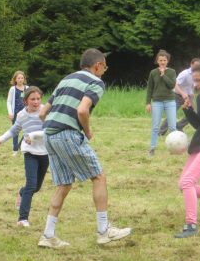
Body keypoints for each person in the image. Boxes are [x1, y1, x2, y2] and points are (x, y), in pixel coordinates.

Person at [37, 48, 131, 249]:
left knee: (63, 184)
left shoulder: (66, 79)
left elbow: (43, 113)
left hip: (49, 134)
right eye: (104, 67)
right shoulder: (95, 82)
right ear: (97, 65)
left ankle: (48, 235)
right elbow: (82, 110)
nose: (104, 71)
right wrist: (87, 131)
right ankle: (104, 230)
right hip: (68, 134)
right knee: (98, 177)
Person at [0, 86, 48, 227]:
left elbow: (49, 131)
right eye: (32, 99)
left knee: (36, 187)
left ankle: (21, 192)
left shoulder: (45, 112)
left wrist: (33, 135)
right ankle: (22, 219)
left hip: (45, 152)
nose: (36, 102)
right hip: (29, 152)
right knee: (31, 184)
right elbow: (14, 130)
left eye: (38, 99)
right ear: (25, 101)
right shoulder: (21, 115)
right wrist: (0, 139)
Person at [173, 62, 200, 238]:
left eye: (199, 80)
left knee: (187, 182)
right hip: (198, 144)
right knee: (184, 184)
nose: (195, 84)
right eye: (194, 81)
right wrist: (188, 111)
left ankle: (191, 225)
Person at [146, 50, 186, 156]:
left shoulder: (172, 72)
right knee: (155, 127)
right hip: (157, 102)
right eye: (160, 60)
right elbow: (150, 88)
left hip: (170, 101)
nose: (162, 62)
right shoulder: (153, 72)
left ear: (167, 61)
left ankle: (174, 149)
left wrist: (163, 75)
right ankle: (152, 148)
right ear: (157, 61)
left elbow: (172, 85)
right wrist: (148, 103)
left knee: (173, 126)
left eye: (164, 60)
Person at [160, 58, 200, 135]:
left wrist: (191, 97)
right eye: (196, 65)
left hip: (187, 97)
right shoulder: (185, 73)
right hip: (177, 95)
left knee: (193, 114)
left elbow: (191, 87)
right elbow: (175, 84)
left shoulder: (197, 75)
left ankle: (179, 126)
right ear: (191, 64)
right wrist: (182, 93)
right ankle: (161, 132)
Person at [6, 71, 27, 156]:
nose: (20, 79)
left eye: (22, 78)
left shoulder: (28, 88)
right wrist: (10, 113)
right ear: (15, 79)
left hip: (26, 113)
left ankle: (21, 146)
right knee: (15, 131)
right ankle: (15, 150)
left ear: (24, 79)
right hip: (16, 113)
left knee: (27, 131)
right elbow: (9, 102)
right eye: (18, 78)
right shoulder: (12, 89)